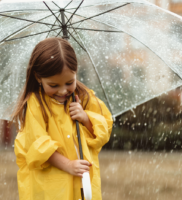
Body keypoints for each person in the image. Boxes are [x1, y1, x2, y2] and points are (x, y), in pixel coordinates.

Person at [12, 37, 113, 200]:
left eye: (69, 82)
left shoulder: (84, 98)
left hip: (82, 181)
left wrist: (86, 118)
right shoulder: (36, 104)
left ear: (75, 73)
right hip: (52, 184)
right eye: (53, 85)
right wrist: (68, 165)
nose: (62, 91)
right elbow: (38, 146)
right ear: (38, 78)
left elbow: (104, 128)